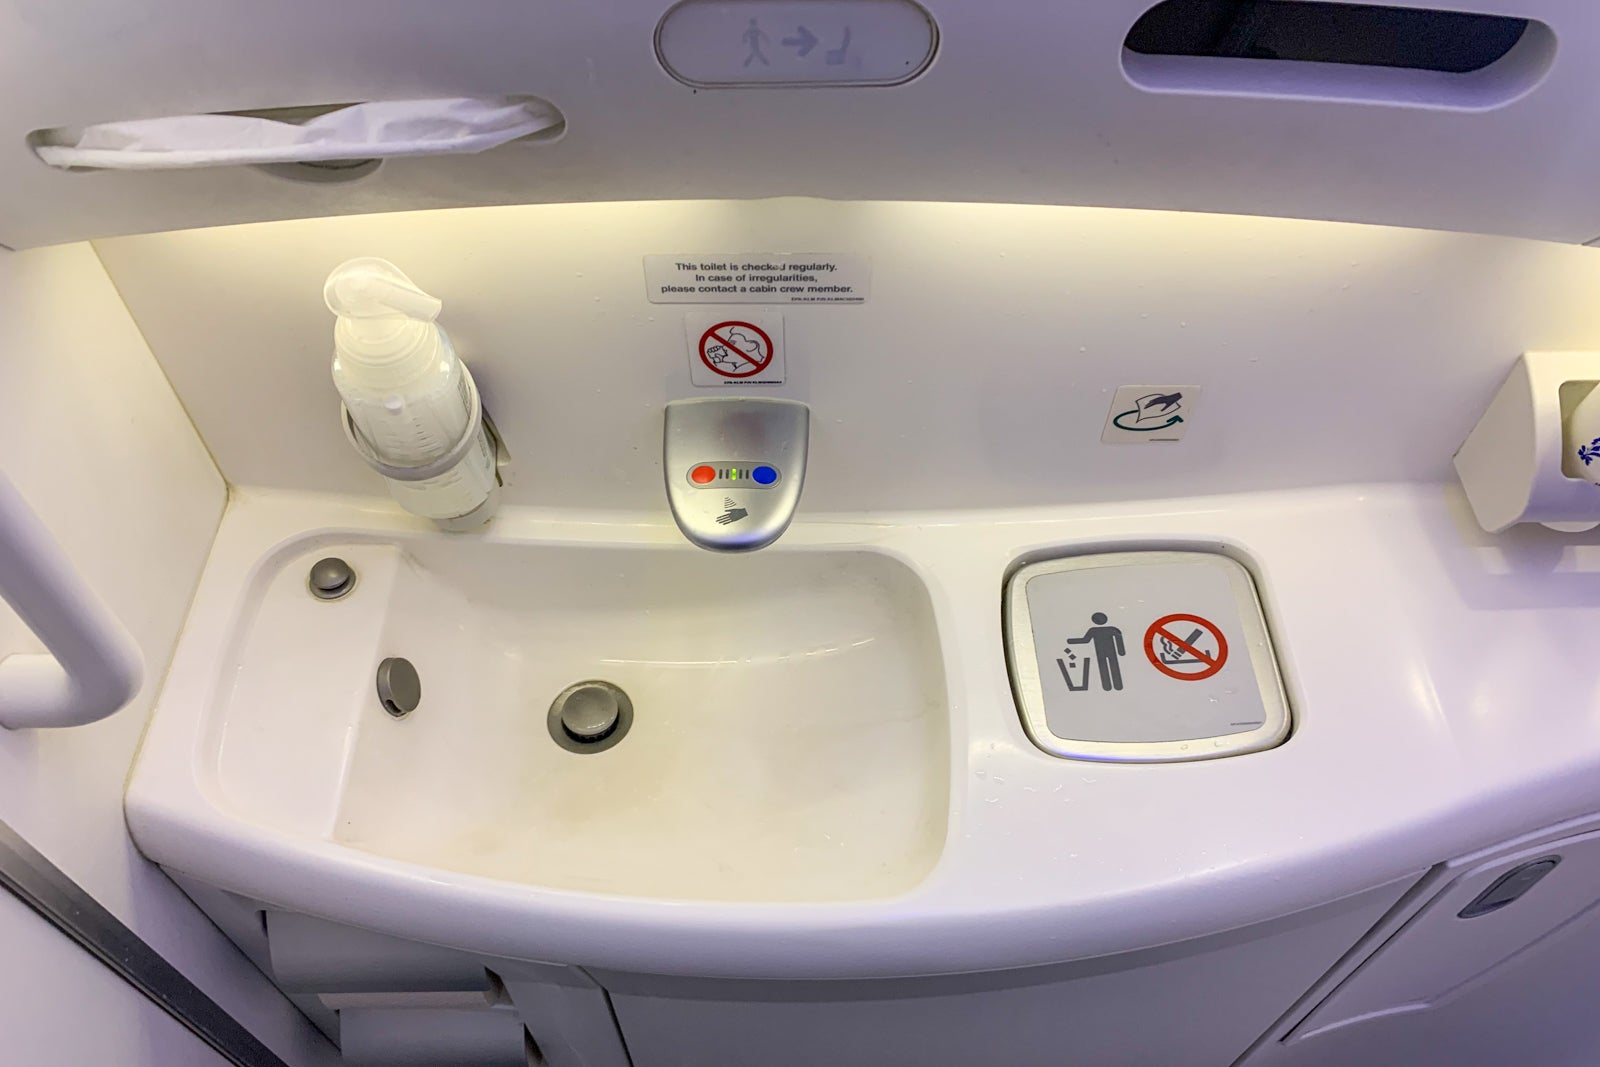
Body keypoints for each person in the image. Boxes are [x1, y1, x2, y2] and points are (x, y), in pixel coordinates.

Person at [1067, 612, 1125, 691]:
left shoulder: (1096, 630)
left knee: (1107, 667)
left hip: (1102, 653)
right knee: (1108, 667)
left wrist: (1071, 641)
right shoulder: (1110, 629)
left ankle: (1111, 686)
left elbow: (1085, 640)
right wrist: (1121, 651)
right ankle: (1112, 686)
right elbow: (1119, 639)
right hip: (1106, 652)